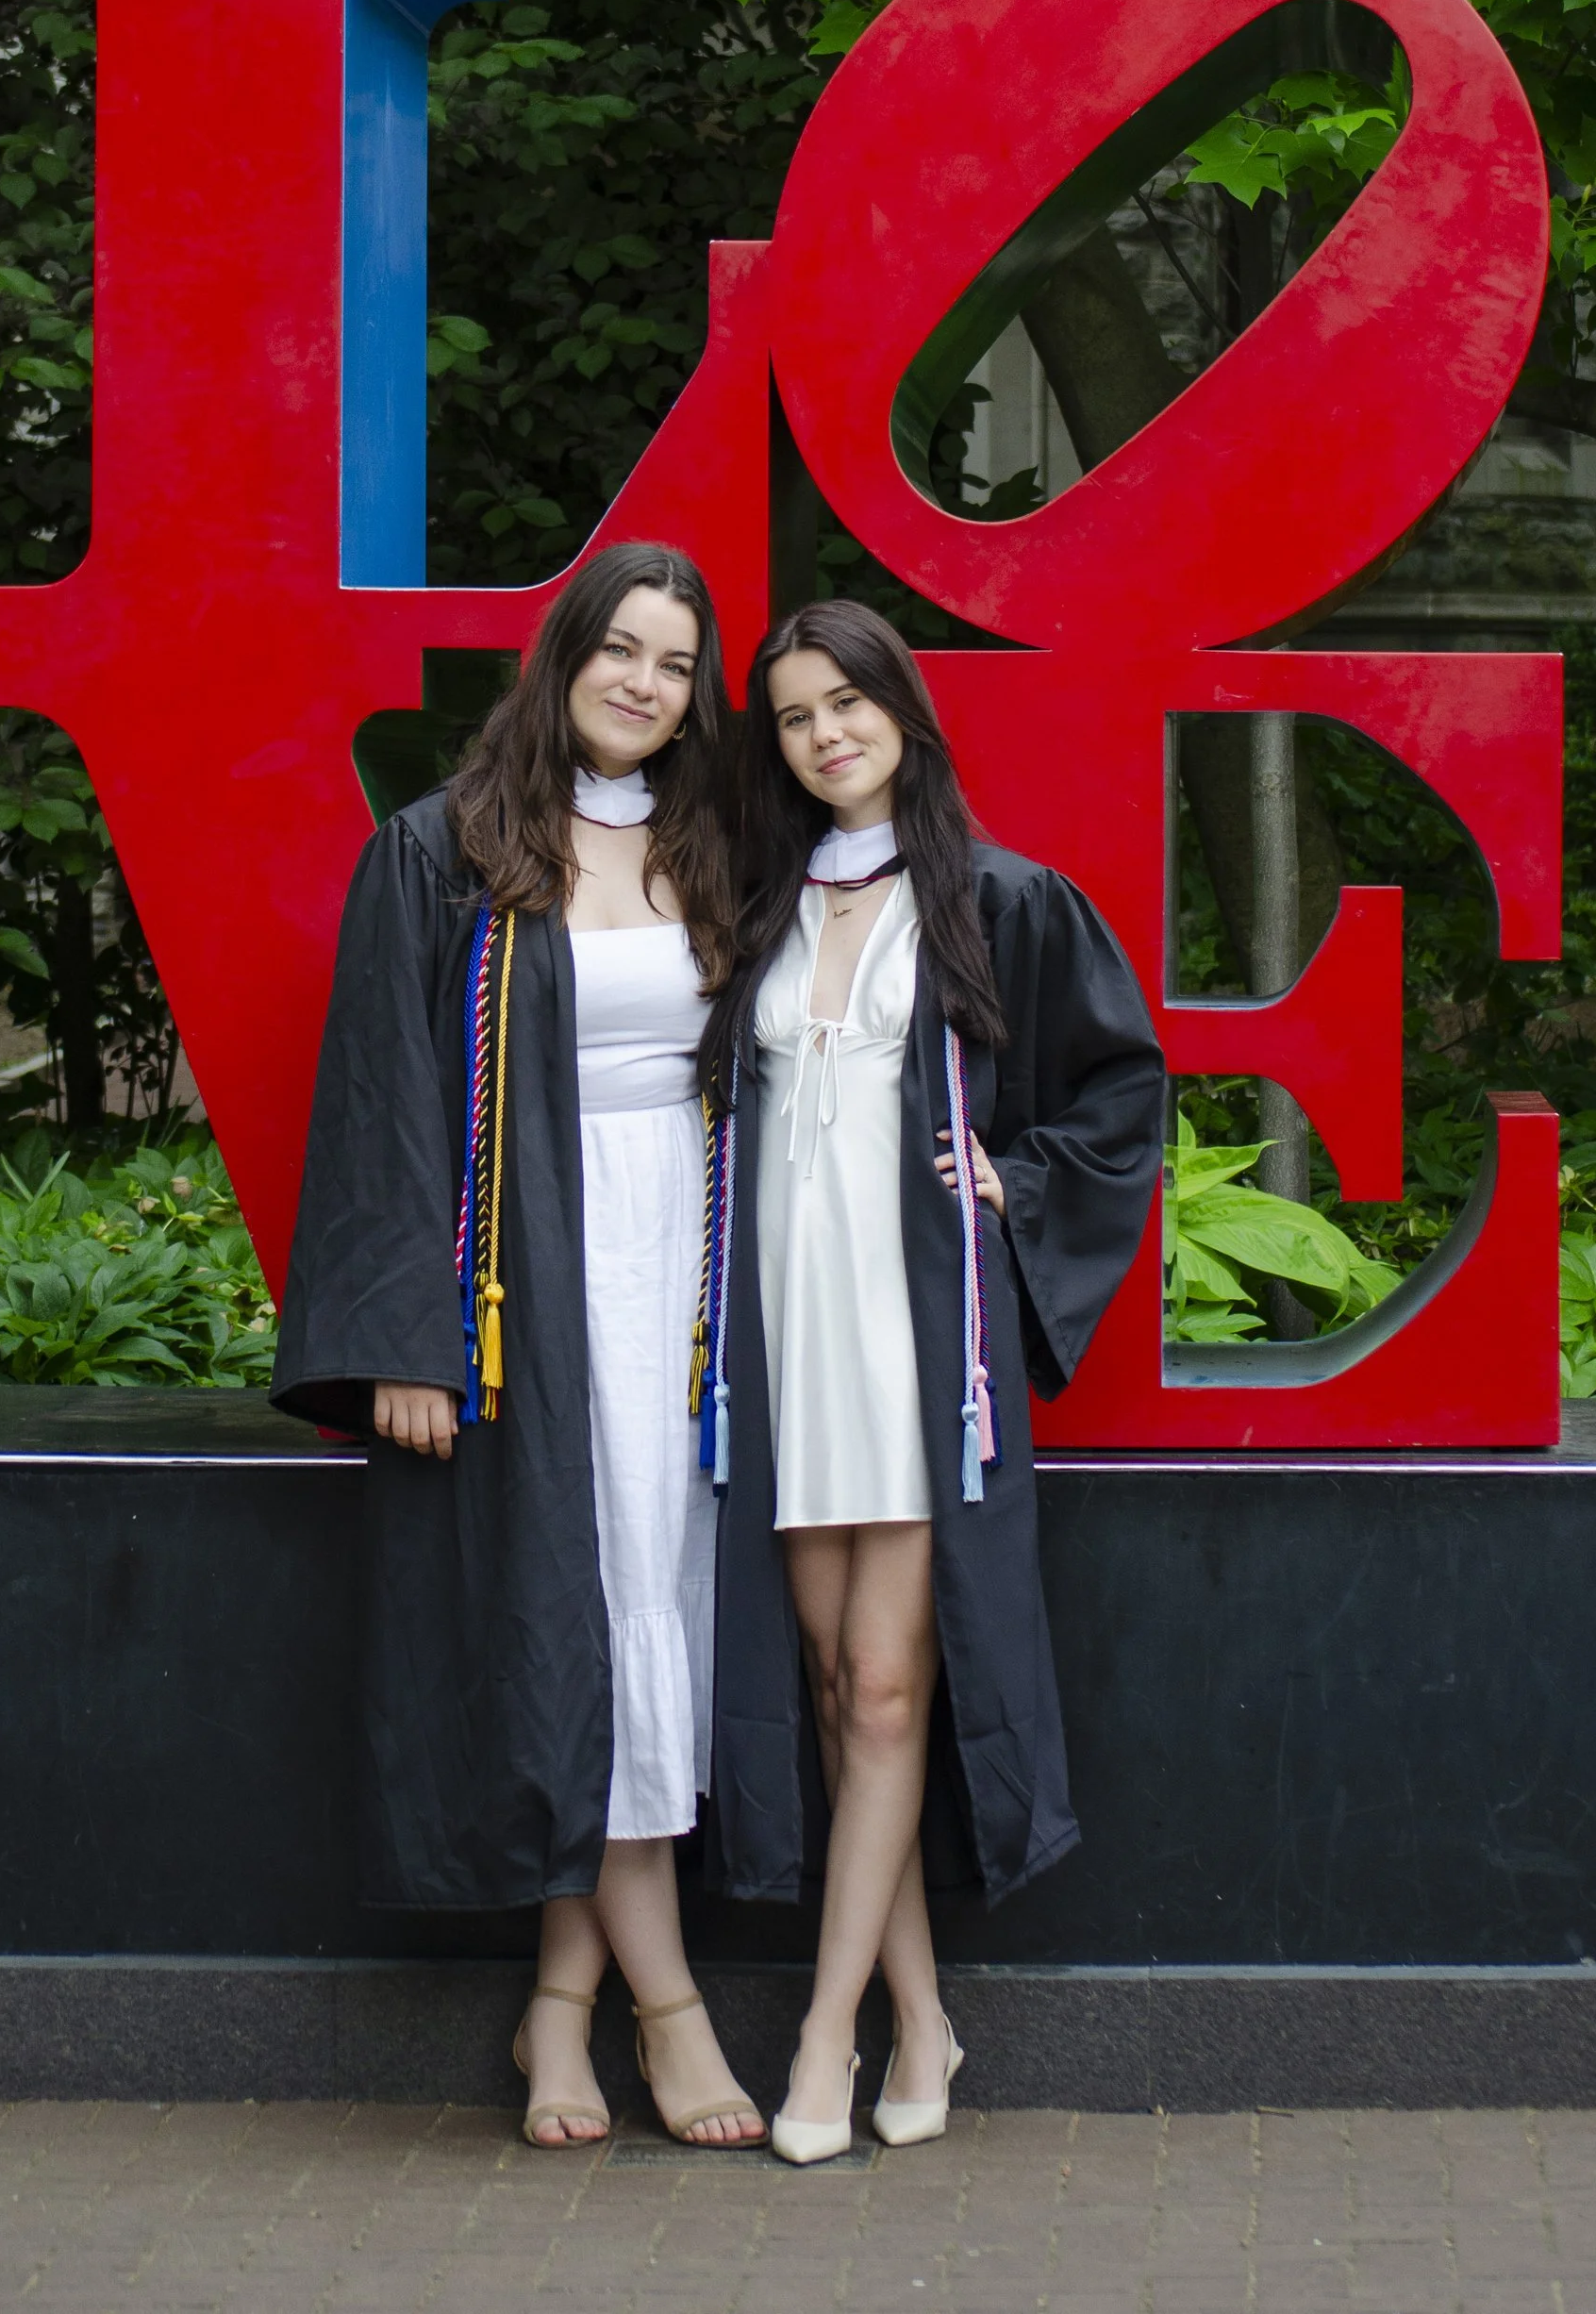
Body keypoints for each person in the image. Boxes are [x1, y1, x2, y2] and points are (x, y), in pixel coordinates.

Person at [272, 542, 764, 2151]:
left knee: (649, 1614)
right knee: (581, 1610)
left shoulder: (715, 847)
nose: (644, 682)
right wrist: (406, 1331)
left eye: (677, 664)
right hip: (526, 1286)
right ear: (561, 659)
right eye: (620, 649)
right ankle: (666, 2008)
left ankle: (558, 2002)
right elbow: (385, 1100)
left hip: (683, 1278)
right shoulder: (447, 851)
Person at [701, 599, 1164, 2162]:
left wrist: (1012, 1186)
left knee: (890, 1685)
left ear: (903, 708)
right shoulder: (758, 905)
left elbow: (1118, 1090)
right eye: (794, 715)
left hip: (913, 1348)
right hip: (785, 1336)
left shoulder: (998, 900)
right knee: (838, 1690)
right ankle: (928, 2017)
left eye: (849, 702)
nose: (827, 733)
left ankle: (828, 2037)